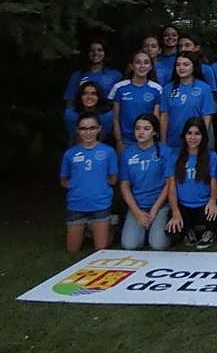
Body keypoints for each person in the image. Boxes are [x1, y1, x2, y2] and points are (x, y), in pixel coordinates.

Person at [60, 113, 118, 252]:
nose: (88, 132)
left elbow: (113, 179)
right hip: (76, 205)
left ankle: (110, 226)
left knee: (100, 250)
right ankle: (88, 228)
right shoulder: (70, 154)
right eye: (83, 128)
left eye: (92, 128)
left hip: (100, 204)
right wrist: (77, 187)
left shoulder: (108, 152)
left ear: (99, 129)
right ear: (77, 130)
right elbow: (64, 179)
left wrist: (98, 186)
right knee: (72, 249)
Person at [165, 118, 217, 248]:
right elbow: (171, 188)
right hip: (183, 205)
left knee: (214, 215)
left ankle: (210, 232)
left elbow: (213, 183)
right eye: (189, 133)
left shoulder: (211, 156)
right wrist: (175, 211)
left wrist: (212, 201)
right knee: (172, 231)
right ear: (184, 135)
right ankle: (188, 231)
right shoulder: (174, 156)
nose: (193, 137)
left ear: (203, 136)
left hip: (203, 205)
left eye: (197, 133)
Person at [118, 114, 170, 250]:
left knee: (158, 245)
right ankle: (145, 231)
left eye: (146, 129)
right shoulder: (127, 154)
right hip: (138, 205)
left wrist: (154, 210)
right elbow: (124, 185)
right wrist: (137, 212)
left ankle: (164, 232)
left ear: (155, 132)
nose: (141, 132)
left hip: (160, 205)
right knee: (129, 245)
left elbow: (169, 184)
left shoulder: (164, 151)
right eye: (138, 128)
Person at [108, 51, 163, 150]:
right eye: (138, 62)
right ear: (131, 66)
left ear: (151, 67)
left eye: (146, 62)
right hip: (125, 141)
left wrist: (154, 140)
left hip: (148, 141)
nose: (142, 66)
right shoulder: (119, 87)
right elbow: (115, 118)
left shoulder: (157, 88)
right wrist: (119, 141)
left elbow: (156, 118)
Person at [62, 38, 123, 106]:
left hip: (107, 112)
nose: (95, 53)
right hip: (82, 112)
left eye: (99, 50)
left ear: (105, 53)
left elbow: (120, 101)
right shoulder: (77, 75)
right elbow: (70, 100)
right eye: (92, 50)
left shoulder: (116, 75)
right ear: (88, 53)